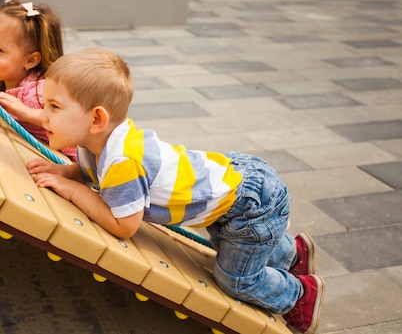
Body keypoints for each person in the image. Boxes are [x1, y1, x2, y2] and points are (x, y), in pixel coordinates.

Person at [26, 47, 325, 334]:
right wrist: (67, 172)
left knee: (235, 279)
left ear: (96, 120)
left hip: (251, 203)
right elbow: (91, 172)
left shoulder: (123, 160)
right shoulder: (98, 143)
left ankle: (301, 296)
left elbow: (125, 225)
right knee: (228, 244)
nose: (44, 115)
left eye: (54, 107)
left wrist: (72, 190)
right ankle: (291, 255)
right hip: (238, 182)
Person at [0, 0, 76, 161]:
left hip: (82, 165)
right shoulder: (17, 78)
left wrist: (26, 113)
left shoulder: (37, 93)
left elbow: (68, 120)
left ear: (31, 60)